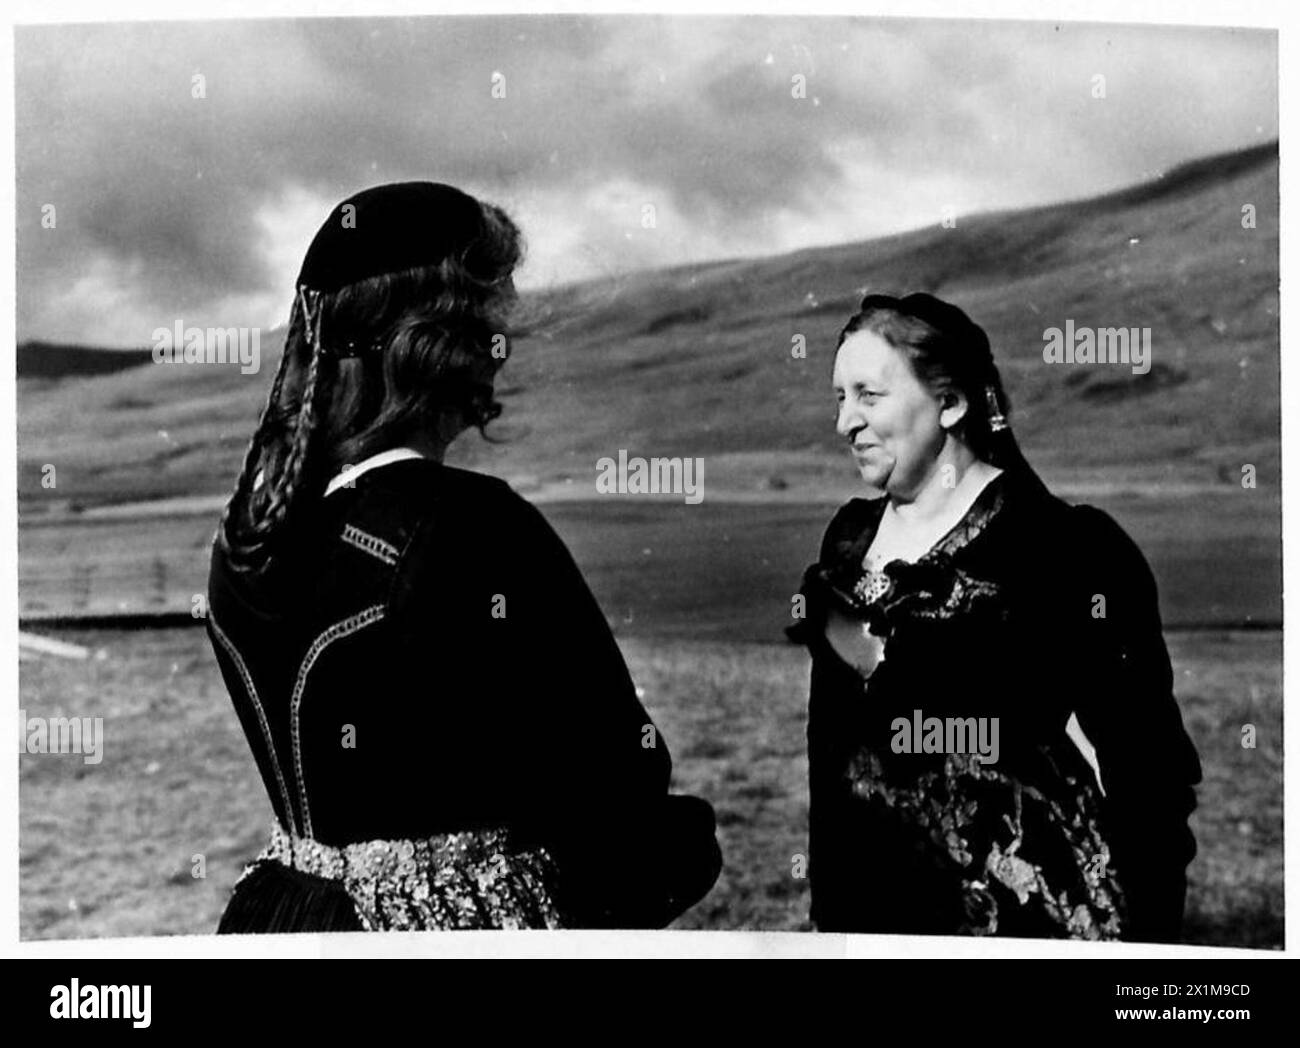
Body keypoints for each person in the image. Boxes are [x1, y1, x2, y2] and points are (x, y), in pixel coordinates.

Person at [207, 181, 721, 932]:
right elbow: (620, 783)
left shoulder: (248, 536)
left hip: (281, 920)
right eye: (493, 316)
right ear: (447, 343)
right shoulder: (474, 529)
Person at [790, 292, 1201, 941]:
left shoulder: (1065, 548)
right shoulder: (847, 542)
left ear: (951, 403)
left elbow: (1149, 770)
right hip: (877, 914)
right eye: (839, 398)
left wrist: (1149, 950)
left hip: (1029, 923)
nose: (846, 422)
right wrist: (835, 916)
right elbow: (833, 749)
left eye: (869, 395)